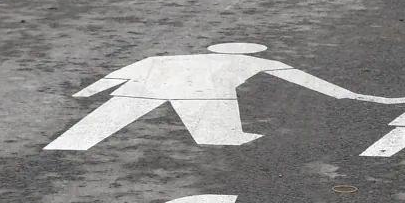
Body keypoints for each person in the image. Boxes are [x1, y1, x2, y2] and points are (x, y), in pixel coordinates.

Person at [46, 44, 370, 150]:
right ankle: (225, 138)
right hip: (205, 94)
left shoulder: (167, 59)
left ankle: (71, 142)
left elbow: (123, 73)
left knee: (90, 128)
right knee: (219, 134)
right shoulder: (256, 62)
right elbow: (305, 80)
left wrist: (87, 92)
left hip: (143, 88)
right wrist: (350, 96)